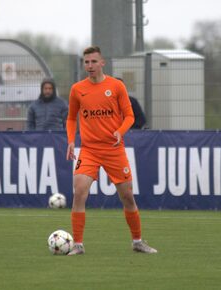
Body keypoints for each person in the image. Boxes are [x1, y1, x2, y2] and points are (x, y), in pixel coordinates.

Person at [66, 46, 157, 255]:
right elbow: (71, 118)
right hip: (89, 149)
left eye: (93, 62)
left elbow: (130, 116)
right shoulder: (77, 89)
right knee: (79, 191)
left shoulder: (116, 86)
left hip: (114, 150)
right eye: (86, 62)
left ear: (102, 62)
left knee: (127, 197)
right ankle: (78, 245)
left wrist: (120, 132)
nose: (89, 66)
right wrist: (71, 140)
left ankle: (137, 241)